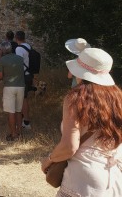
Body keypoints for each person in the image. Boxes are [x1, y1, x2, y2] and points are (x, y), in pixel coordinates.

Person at [41, 48, 122, 196]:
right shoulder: (117, 98)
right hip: (113, 178)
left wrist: (49, 160)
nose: (69, 74)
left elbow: (69, 146)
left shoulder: (76, 98)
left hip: (82, 179)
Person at [0, 41, 25, 141]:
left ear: (2, 50)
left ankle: (13, 134)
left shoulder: (2, 60)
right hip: (21, 86)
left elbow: (0, 77)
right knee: (18, 111)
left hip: (9, 86)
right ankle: (20, 133)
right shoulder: (19, 58)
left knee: (11, 112)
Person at [14, 30, 34, 129]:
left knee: (23, 99)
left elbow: (19, 63)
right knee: (24, 98)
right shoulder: (29, 46)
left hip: (23, 76)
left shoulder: (18, 49)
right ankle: (24, 119)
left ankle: (26, 122)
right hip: (29, 75)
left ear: (16, 38)